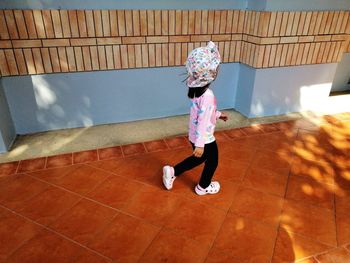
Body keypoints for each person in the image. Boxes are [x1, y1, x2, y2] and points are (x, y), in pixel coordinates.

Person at [162, 41, 228, 195]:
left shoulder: (196, 90)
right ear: (209, 74)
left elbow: (202, 113)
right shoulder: (208, 95)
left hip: (194, 134)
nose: (217, 70)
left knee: (200, 159)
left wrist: (218, 114)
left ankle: (172, 171)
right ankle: (203, 186)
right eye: (215, 68)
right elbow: (204, 120)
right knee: (212, 161)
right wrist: (200, 144)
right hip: (204, 137)